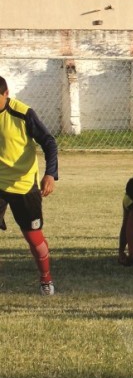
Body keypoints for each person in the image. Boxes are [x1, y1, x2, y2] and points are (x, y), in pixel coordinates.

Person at [0, 76, 59, 295]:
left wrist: (50, 174)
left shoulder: (23, 113)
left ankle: (46, 279)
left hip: (23, 186)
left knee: (33, 237)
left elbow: (49, 142)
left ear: (6, 94)